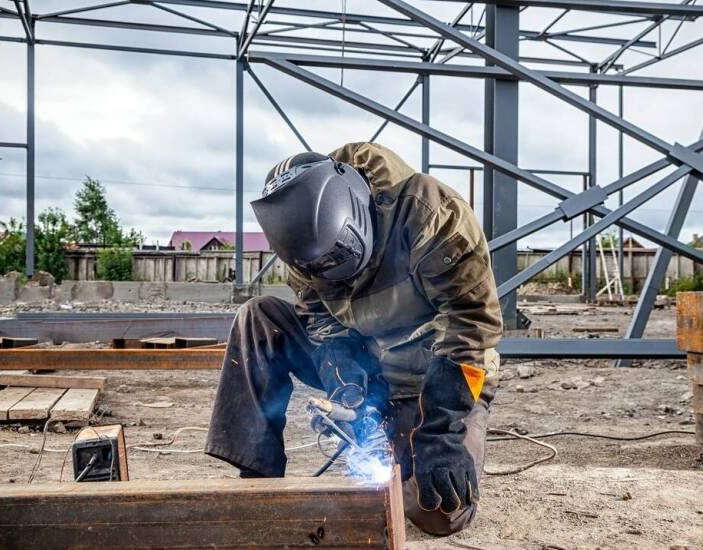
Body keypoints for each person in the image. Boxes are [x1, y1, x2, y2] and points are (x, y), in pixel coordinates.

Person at [205, 142, 502, 536]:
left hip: (430, 375)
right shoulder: (302, 250)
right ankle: (260, 484)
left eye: (336, 258)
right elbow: (323, 322)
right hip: (370, 364)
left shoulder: (428, 210)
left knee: (438, 511)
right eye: (317, 267)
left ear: (356, 208)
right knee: (259, 317)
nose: (331, 274)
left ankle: (414, 433)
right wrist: (347, 385)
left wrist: (442, 430)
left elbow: (471, 321)